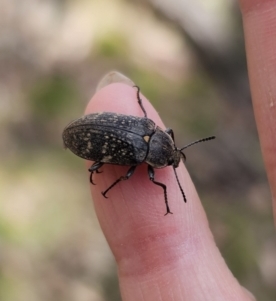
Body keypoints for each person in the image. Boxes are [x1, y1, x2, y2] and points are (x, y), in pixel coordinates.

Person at [84, 2, 271, 298]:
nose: (174, 159)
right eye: (172, 156)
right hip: (91, 133)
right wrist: (162, 193)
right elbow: (146, 176)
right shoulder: (142, 155)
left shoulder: (150, 130)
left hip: (98, 128)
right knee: (128, 176)